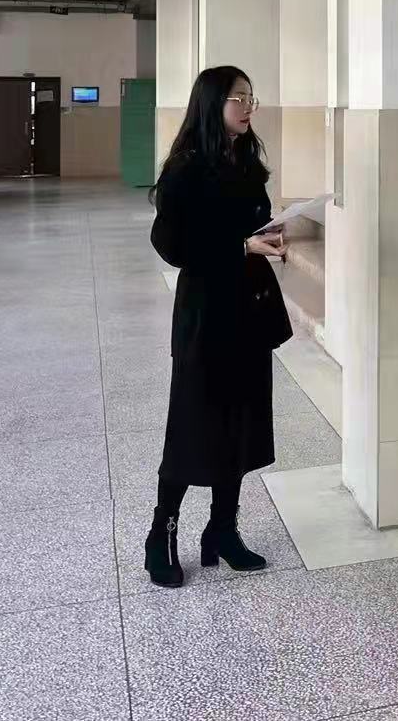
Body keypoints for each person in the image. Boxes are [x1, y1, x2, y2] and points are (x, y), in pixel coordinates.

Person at [144, 65, 289, 588]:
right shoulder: (186, 168)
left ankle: (223, 530)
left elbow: (252, 222)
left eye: (251, 98)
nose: (248, 108)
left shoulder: (245, 159)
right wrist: (239, 246)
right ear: (212, 103)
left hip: (248, 311)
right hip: (206, 316)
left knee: (239, 425)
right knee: (192, 425)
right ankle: (161, 533)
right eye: (238, 99)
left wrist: (269, 235)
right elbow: (170, 245)